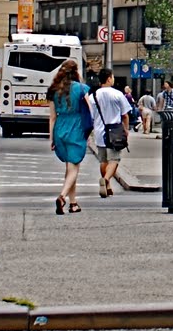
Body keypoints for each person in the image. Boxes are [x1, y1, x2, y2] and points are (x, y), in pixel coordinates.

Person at [45, 59, 90, 215]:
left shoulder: (53, 90)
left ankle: (73, 203)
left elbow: (52, 117)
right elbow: (90, 111)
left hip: (59, 129)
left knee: (70, 168)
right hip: (76, 128)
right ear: (76, 72)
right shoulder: (82, 89)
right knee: (74, 168)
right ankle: (62, 197)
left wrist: (51, 139)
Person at [90, 68, 131, 197]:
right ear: (108, 78)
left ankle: (107, 187)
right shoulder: (117, 94)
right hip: (115, 132)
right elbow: (125, 115)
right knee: (114, 159)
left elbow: (91, 116)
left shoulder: (93, 96)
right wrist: (126, 130)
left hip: (99, 132)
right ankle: (106, 180)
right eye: (112, 77)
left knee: (103, 161)